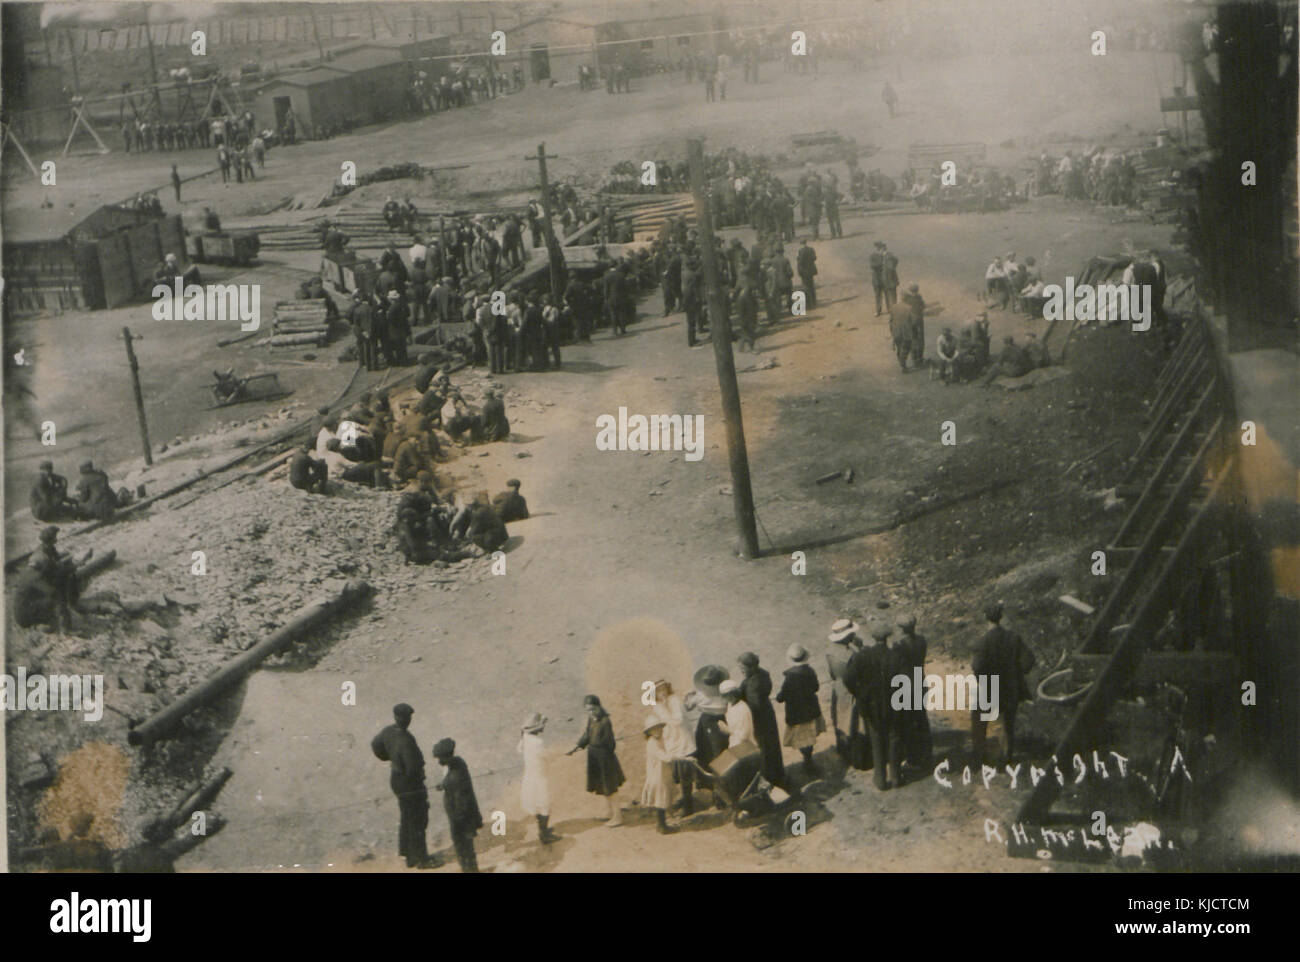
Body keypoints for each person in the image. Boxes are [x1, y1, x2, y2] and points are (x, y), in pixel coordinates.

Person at [970, 602, 1036, 763]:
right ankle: (1006, 756)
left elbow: (977, 667)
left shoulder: (983, 641)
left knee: (979, 718)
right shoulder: (1014, 638)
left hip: (990, 687)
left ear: (986, 618)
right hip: (1011, 688)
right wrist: (1017, 673)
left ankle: (979, 755)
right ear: (1001, 617)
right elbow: (1029, 660)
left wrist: (983, 680)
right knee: (1008, 723)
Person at [370, 704, 434, 868]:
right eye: (406, 717)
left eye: (408, 717)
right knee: (418, 820)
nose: (407, 721)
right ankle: (422, 860)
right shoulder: (406, 739)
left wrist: (390, 758)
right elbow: (413, 768)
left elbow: (376, 745)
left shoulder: (388, 731)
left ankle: (409, 856)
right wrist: (418, 782)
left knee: (406, 818)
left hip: (396, 779)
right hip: (410, 783)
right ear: (399, 717)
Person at [846, 624, 896, 789]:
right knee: (893, 737)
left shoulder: (863, 656)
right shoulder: (894, 655)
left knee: (876, 739)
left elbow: (848, 678)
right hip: (892, 703)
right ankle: (896, 776)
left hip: (870, 704)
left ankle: (880, 779)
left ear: (873, 638)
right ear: (887, 637)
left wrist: (859, 693)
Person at [567, 695, 625, 826]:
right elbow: (587, 734)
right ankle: (609, 812)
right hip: (594, 757)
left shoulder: (605, 721)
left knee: (611, 787)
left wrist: (602, 752)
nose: (591, 712)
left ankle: (618, 816)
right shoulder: (591, 719)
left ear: (599, 707)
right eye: (588, 710)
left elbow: (611, 744)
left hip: (605, 759)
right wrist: (577, 746)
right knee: (604, 787)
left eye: (593, 709)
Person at [775, 644, 826, 779]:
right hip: (810, 709)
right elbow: (815, 687)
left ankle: (807, 761)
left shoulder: (790, 677)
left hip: (797, 713)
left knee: (802, 739)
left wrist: (778, 697)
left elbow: (782, 696)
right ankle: (809, 760)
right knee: (809, 737)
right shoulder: (810, 671)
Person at [432, 738, 483, 872]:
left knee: (462, 846)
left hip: (460, 818)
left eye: (440, 758)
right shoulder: (458, 763)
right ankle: (471, 868)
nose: (439, 761)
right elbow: (449, 780)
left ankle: (469, 869)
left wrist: (458, 820)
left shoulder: (455, 776)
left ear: (447, 756)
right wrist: (443, 784)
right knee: (467, 847)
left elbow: (461, 801)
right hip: (463, 815)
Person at [736, 652, 785, 787]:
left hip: (760, 720)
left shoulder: (754, 684)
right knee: (772, 746)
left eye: (743, 668)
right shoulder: (762, 673)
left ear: (751, 667)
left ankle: (771, 779)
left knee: (764, 749)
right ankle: (778, 774)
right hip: (767, 713)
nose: (741, 671)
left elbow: (753, 706)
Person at [826, 618, 865, 767]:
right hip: (852, 691)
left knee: (839, 719)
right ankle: (857, 759)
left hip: (838, 687)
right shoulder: (852, 655)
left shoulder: (830, 652)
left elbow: (832, 673)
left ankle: (842, 750)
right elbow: (859, 674)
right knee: (855, 724)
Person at [896, 615, 933, 771]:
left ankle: (912, 756)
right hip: (919, 679)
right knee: (921, 717)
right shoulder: (921, 640)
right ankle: (927, 752)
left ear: (901, 628)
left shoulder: (899, 645)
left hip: (906, 684)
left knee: (907, 721)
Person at [518, 713, 558, 844]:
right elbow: (547, 756)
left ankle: (543, 830)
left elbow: (519, 749)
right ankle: (544, 834)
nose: (543, 728)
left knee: (535, 804)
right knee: (544, 804)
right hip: (540, 776)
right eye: (541, 726)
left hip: (529, 776)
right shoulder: (538, 742)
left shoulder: (525, 739)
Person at [641, 717, 679, 834]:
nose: (658, 731)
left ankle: (662, 824)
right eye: (654, 729)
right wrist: (681, 757)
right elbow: (665, 757)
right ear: (649, 732)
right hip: (657, 775)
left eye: (659, 728)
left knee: (663, 798)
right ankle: (662, 826)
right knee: (660, 799)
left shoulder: (659, 739)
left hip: (663, 772)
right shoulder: (652, 743)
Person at [718, 680, 755, 747]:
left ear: (734, 694)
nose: (723, 698)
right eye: (723, 695)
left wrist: (727, 730)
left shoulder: (742, 709)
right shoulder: (730, 704)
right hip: (734, 744)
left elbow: (744, 736)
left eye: (725, 695)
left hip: (745, 747)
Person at [797, 239, 818, 309]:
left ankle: (809, 304)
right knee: (811, 285)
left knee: (806, 287)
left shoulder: (800, 251)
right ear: (806, 243)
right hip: (811, 271)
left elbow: (799, 262)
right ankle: (814, 301)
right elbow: (814, 258)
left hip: (804, 272)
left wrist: (800, 272)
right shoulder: (811, 249)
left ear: (801, 244)